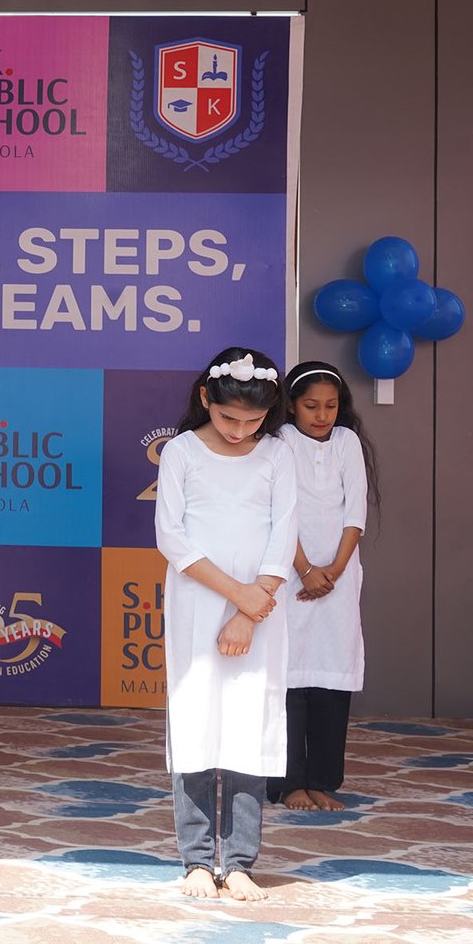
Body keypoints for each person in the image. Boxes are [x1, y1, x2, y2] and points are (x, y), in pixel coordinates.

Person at [154, 348, 296, 902]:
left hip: (261, 609)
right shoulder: (181, 452)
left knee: (247, 726)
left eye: (253, 421)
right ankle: (195, 859)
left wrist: (250, 610)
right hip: (198, 603)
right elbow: (171, 536)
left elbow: (283, 535)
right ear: (204, 398)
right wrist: (238, 596)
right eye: (228, 417)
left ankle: (239, 862)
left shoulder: (278, 454)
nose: (239, 431)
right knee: (196, 723)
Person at [271, 361, 376, 812]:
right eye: (311, 405)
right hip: (289, 571)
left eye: (330, 406)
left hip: (338, 577)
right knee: (289, 676)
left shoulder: (347, 442)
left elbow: (356, 514)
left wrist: (332, 569)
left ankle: (322, 780)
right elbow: (281, 511)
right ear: (291, 406)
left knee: (332, 675)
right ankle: (288, 782)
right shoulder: (279, 442)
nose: (321, 415)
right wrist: (305, 569)